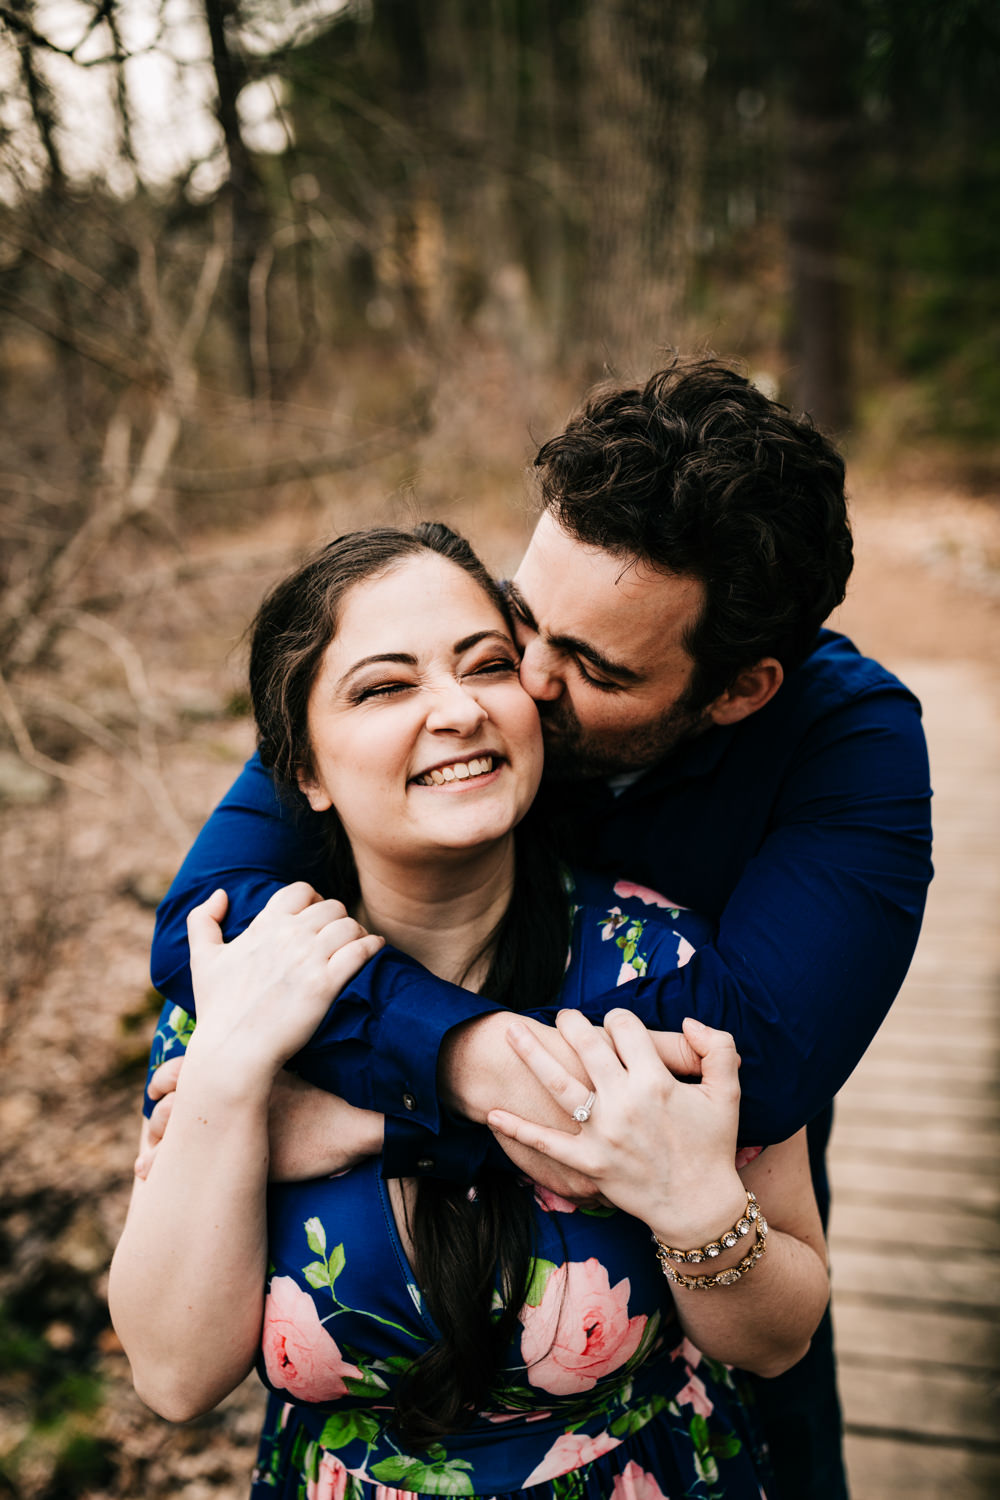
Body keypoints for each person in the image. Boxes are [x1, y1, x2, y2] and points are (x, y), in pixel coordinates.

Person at [148, 361, 934, 1498]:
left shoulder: (844, 744)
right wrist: (450, 1063)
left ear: (739, 689)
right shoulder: (443, 684)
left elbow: (749, 1063)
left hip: (695, 1284)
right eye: (524, 617)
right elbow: (202, 931)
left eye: (596, 668)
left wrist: (374, 1117)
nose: (519, 679)